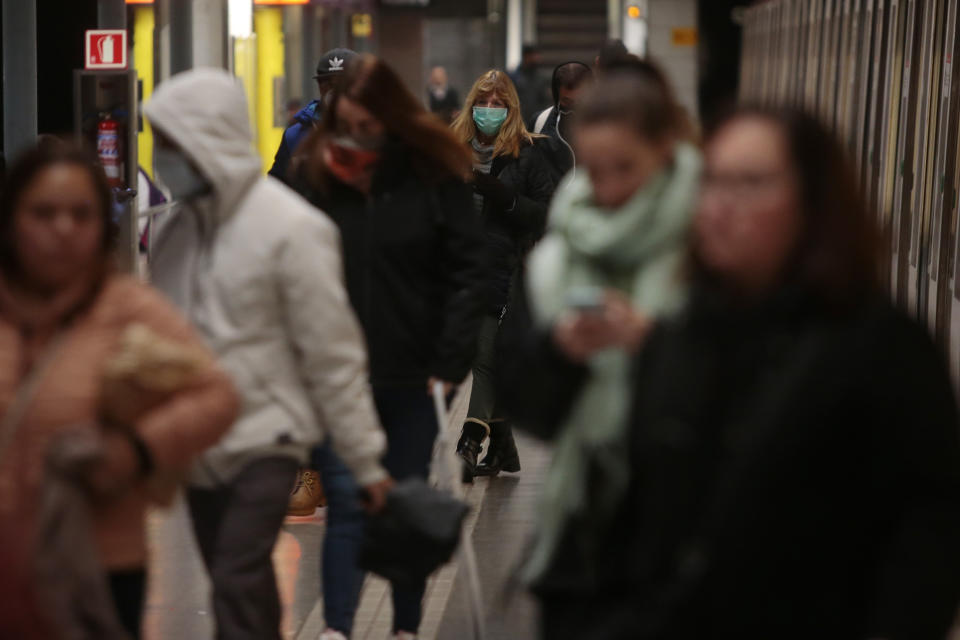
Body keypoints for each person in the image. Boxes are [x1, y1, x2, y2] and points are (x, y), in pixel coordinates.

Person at [512, 106, 960, 639]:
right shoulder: (684, 337)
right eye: (714, 182)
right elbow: (631, 517)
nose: (722, 205)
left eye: (751, 183)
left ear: (813, 201)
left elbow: (927, 534)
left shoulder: (881, 348)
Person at [144, 68, 392, 640]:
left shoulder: (291, 228)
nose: (165, 157)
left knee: (235, 573)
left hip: (267, 439)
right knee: (234, 578)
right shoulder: (175, 230)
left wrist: (364, 460)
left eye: (176, 144)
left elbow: (334, 355)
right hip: (202, 447)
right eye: (161, 142)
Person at [0, 143, 238, 639]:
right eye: (43, 213)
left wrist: (139, 449)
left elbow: (217, 395)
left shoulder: (127, 306)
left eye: (81, 214)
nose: (62, 229)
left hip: (97, 565)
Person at [496, 71, 701, 634]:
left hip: (693, 545)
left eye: (627, 169)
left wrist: (655, 346)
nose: (608, 190)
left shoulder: (711, 245)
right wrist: (560, 353)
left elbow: (750, 388)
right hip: (584, 546)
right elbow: (530, 407)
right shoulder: (557, 259)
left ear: (666, 151)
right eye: (595, 169)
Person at [292, 55, 485, 640]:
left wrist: (450, 361)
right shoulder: (319, 176)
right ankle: (339, 629)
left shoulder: (435, 176)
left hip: (413, 371)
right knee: (347, 502)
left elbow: (466, 271)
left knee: (401, 500)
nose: (358, 138)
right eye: (347, 125)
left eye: (369, 125)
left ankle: (404, 626)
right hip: (339, 371)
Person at [449, 69, 556, 480]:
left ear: (511, 108)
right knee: (477, 352)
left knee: (486, 356)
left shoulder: (527, 153)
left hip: (506, 265)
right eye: (483, 101)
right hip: (460, 266)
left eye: (498, 104)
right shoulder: (453, 149)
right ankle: (504, 447)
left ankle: (470, 442)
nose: (489, 110)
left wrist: (505, 198)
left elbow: (546, 212)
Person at [268, 48, 358, 183]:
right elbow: (277, 186)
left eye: (342, 83)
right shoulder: (295, 135)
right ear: (319, 86)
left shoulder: (374, 130)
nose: (333, 91)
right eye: (326, 83)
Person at [530, 61, 594, 183]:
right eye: (567, 101)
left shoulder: (605, 126)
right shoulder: (540, 122)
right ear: (557, 96)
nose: (574, 107)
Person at [510, 45, 552, 124]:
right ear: (526, 56)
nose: (537, 58)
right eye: (534, 55)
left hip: (537, 121)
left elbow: (544, 100)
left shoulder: (541, 78)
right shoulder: (514, 77)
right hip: (518, 121)